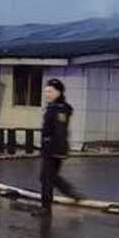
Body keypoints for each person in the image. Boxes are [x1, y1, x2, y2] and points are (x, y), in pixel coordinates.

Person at [33, 78, 82, 217]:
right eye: (46, 91)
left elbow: (60, 130)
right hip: (50, 148)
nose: (47, 94)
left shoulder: (60, 109)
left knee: (46, 178)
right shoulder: (54, 107)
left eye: (50, 91)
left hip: (54, 149)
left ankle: (46, 208)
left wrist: (59, 151)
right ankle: (71, 192)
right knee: (50, 177)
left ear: (58, 92)